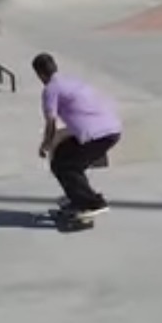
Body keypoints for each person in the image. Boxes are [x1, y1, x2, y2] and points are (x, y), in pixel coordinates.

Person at [34, 52, 120, 219]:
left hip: (97, 135)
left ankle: (92, 204)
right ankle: (79, 197)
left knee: (64, 165)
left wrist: (45, 145)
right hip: (111, 128)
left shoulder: (50, 89)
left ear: (39, 74)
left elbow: (51, 123)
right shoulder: (70, 81)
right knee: (65, 156)